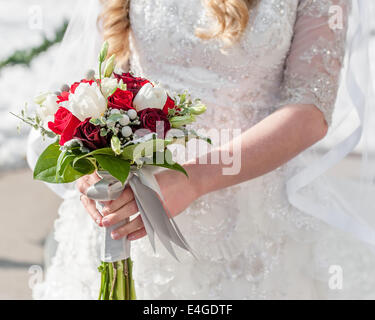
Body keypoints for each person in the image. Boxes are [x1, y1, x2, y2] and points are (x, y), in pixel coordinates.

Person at [30, 0, 375, 299]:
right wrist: (92, 162)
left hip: (250, 221)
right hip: (131, 207)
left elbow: (310, 111)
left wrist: (193, 179)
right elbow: (104, 82)